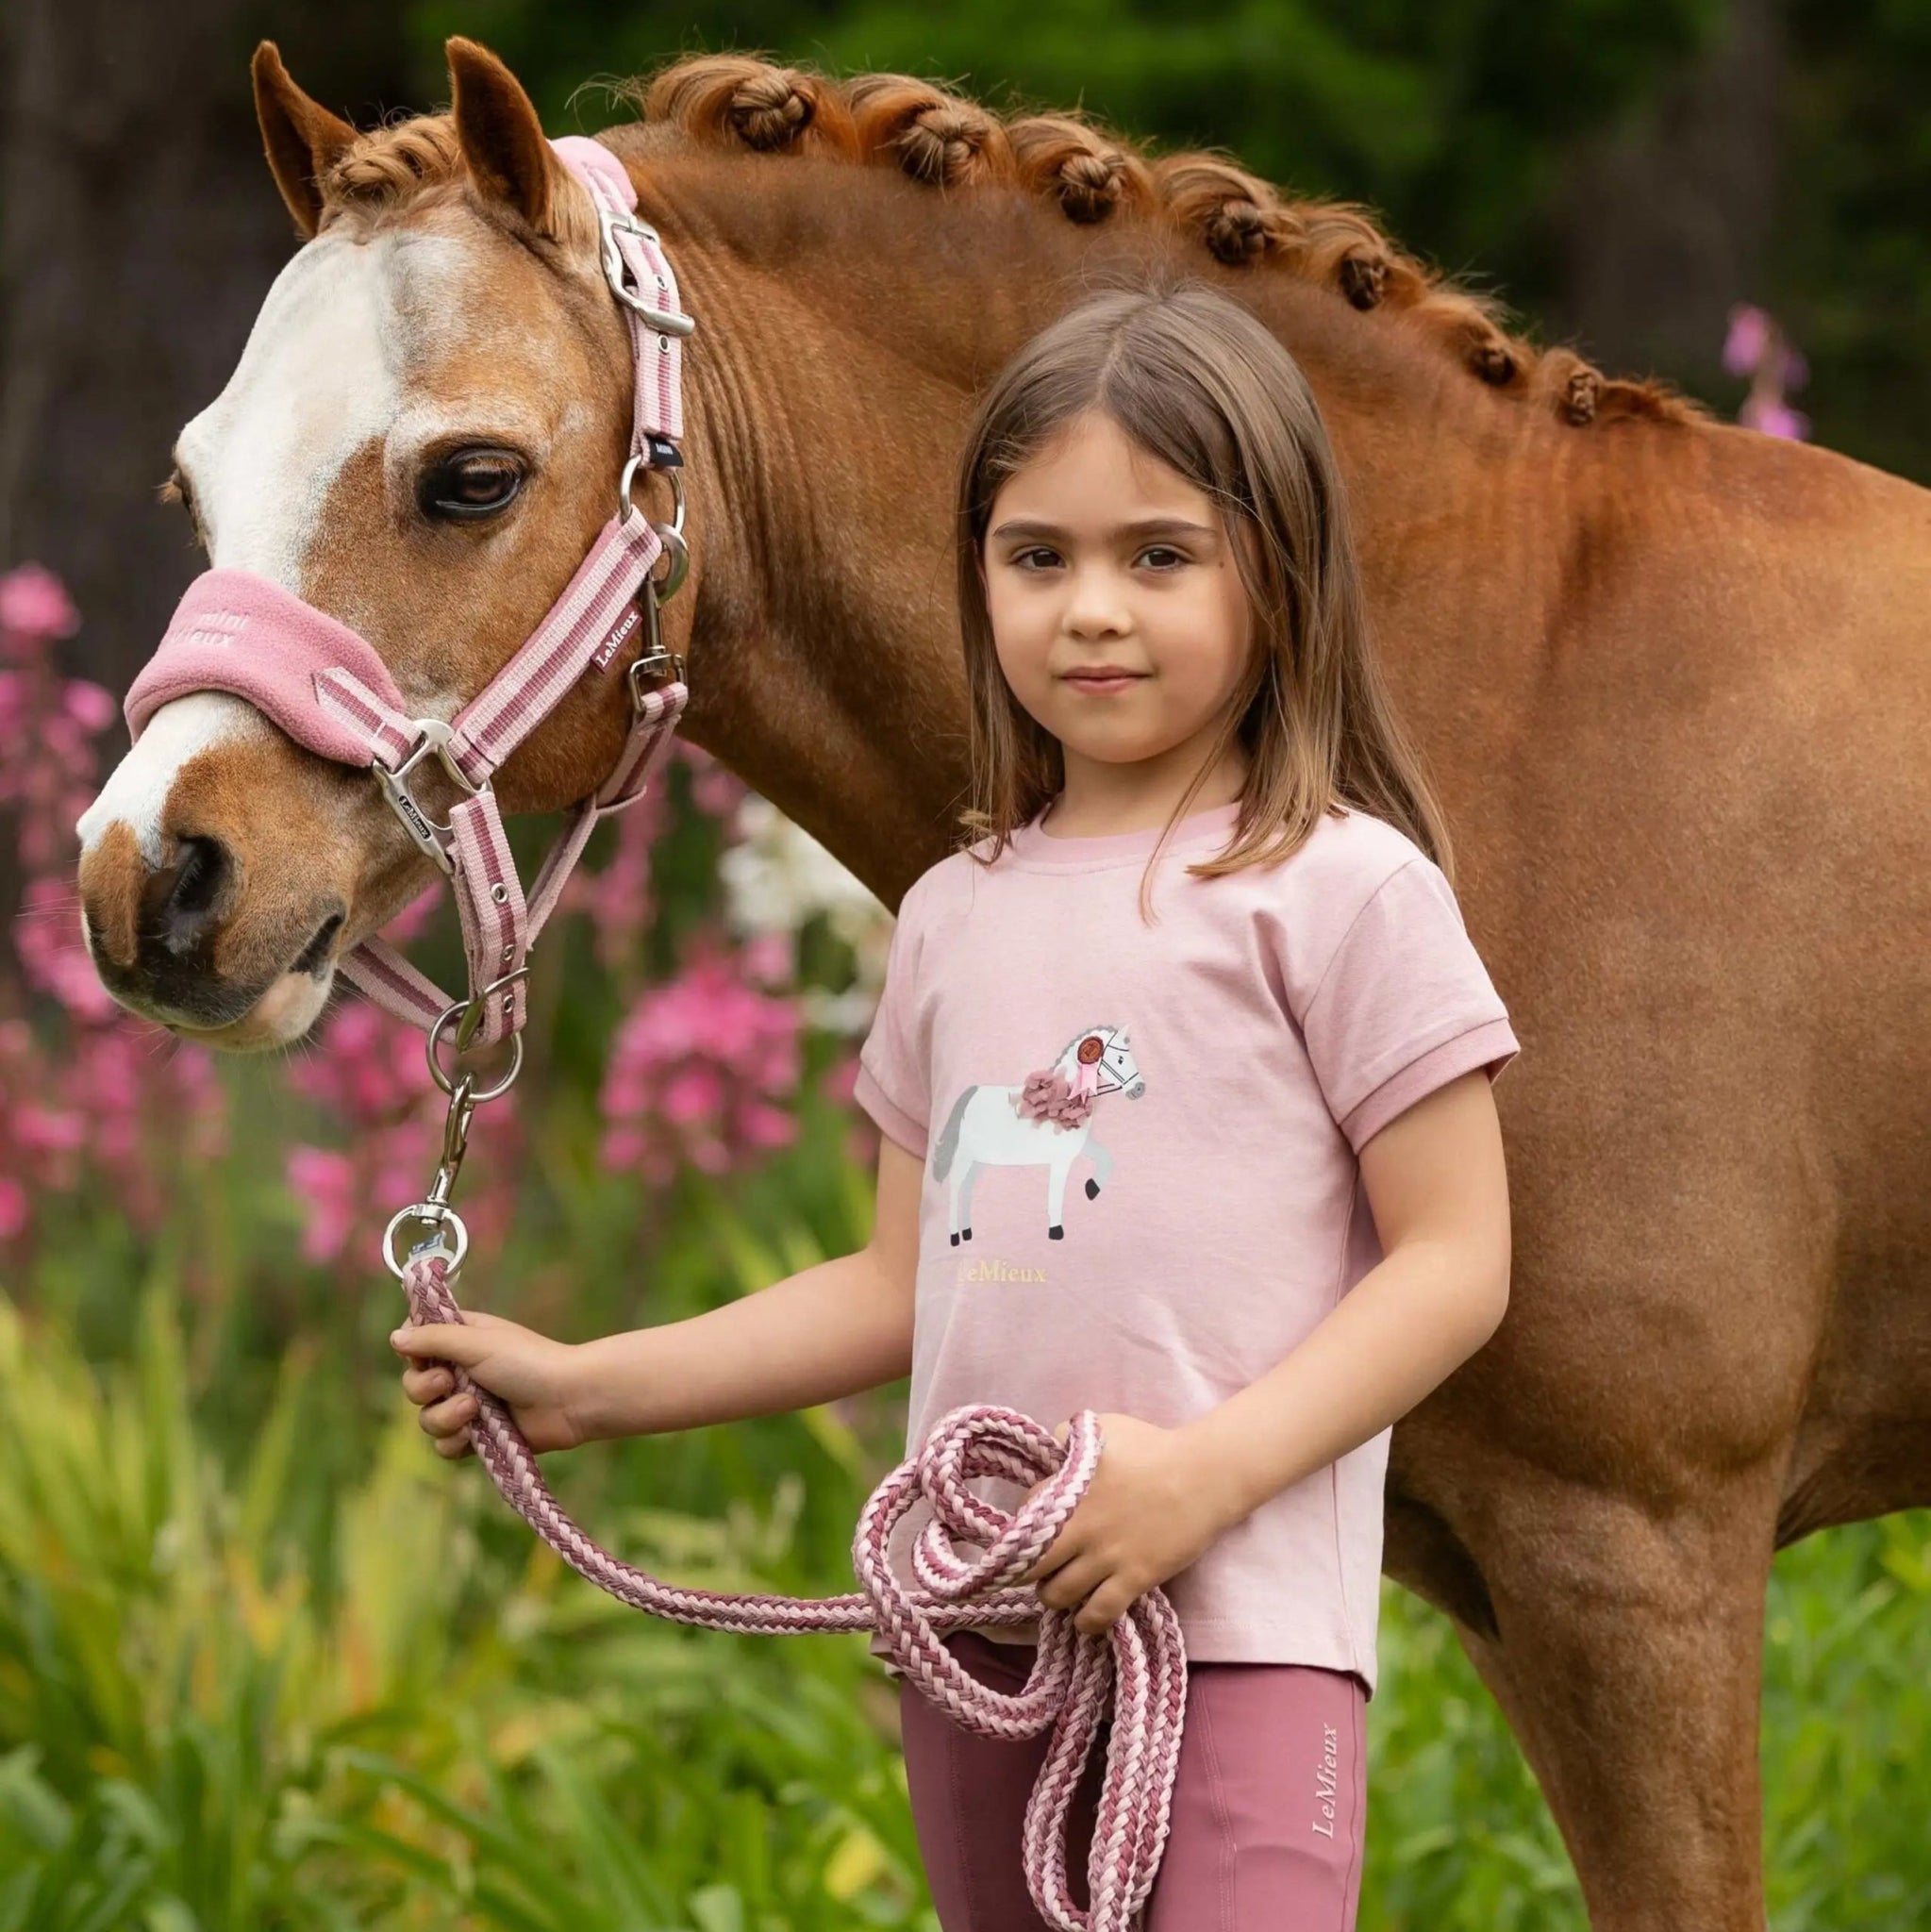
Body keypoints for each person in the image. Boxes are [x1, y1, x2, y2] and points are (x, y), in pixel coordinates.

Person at [391, 275, 1522, 1931]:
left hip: (1241, 1633)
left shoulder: (1343, 894)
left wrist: (1203, 1481)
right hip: (976, 1624)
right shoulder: (951, 915)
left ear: (1277, 575)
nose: (1091, 611)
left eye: (1160, 555)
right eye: (1036, 557)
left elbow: (1456, 1260)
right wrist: (585, 1388)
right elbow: (892, 1286)